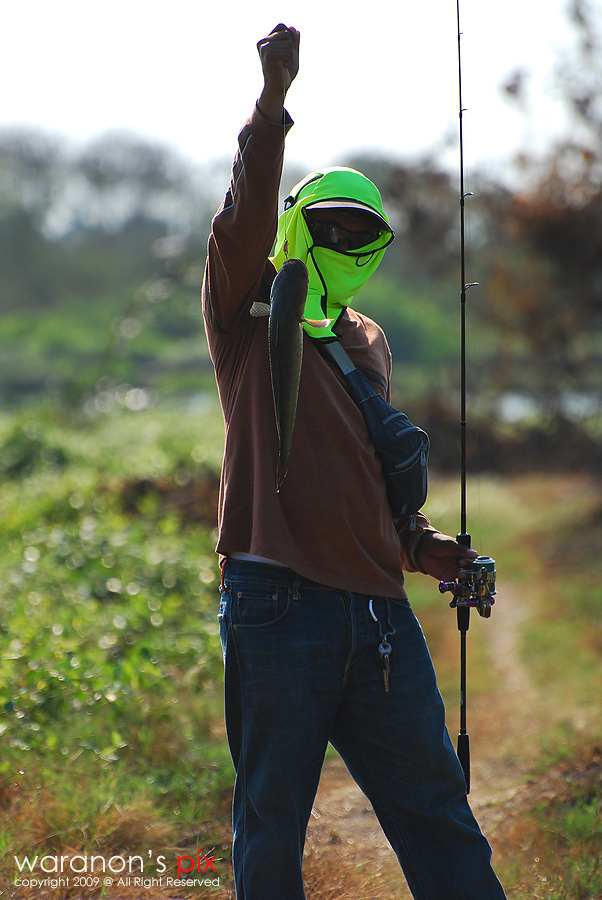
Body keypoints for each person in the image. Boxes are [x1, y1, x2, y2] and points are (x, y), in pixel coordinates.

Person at [202, 23, 507, 900]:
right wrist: (272, 102)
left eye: (361, 234)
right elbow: (247, 213)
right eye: (326, 228)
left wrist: (421, 545)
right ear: (296, 230)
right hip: (276, 608)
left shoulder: (367, 341)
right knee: (272, 823)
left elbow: (368, 482)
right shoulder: (249, 311)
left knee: (438, 812)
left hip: (379, 619)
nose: (344, 244)